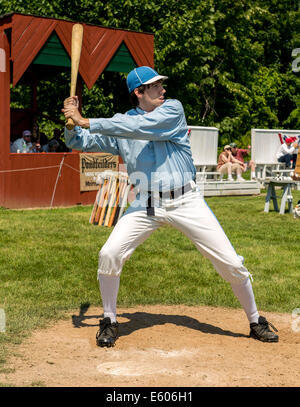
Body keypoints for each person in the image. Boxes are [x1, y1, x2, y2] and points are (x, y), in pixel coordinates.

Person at [62, 66, 279, 347]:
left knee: (230, 262)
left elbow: (139, 127)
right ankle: (109, 320)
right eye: (155, 86)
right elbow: (82, 141)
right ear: (138, 93)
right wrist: (70, 122)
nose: (163, 90)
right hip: (145, 203)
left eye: (161, 85)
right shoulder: (121, 122)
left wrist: (87, 120)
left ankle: (255, 320)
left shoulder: (172, 110)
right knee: (109, 253)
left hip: (185, 200)